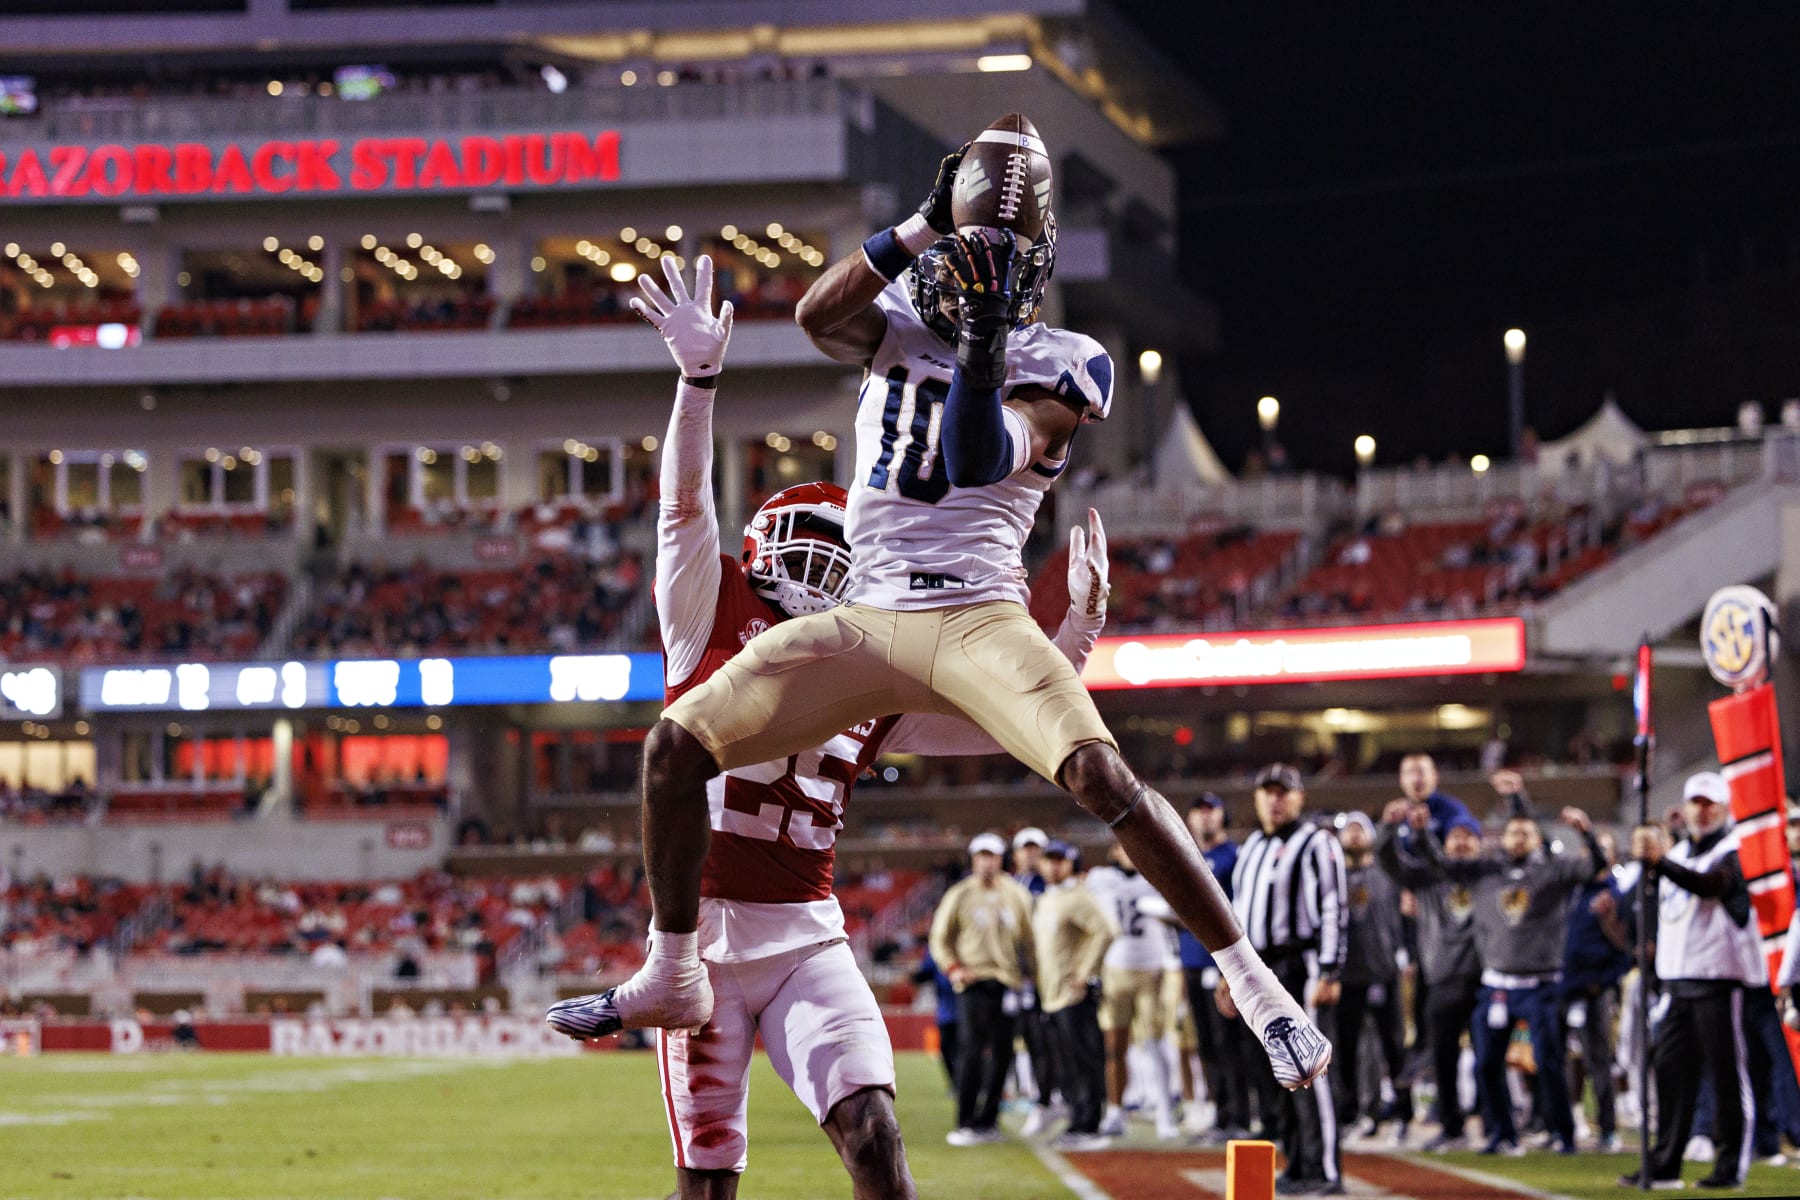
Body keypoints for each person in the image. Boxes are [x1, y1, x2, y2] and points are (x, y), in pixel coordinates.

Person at [596, 132, 1331, 1097]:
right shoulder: (894, 313)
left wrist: (982, 343)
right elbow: (818, 317)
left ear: (1029, 273)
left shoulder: (1068, 362)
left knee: (1101, 774)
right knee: (673, 749)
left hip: (981, 615)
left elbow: (976, 459)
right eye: (957, 258)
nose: (966, 278)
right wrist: (923, 225)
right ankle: (672, 963)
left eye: (989, 263)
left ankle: (1257, 984)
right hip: (866, 615)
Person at [546, 256, 1108, 1199]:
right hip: (708, 944)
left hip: (809, 935)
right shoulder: (709, 611)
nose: (822, 561)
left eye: (837, 547)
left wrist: (1072, 635)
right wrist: (697, 383)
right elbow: (683, 506)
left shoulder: (872, 658)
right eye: (806, 542)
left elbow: (995, 728)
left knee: (877, 1137)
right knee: (710, 1179)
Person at [1408, 805, 1599, 1156]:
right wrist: (1421, 835)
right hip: (1497, 986)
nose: (1518, 838)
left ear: (1537, 839)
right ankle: (1503, 1134)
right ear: (1504, 837)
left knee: (1548, 1061)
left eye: (1526, 833)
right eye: (1513, 832)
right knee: (1486, 1064)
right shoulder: (1486, 870)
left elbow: (1593, 867)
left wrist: (1586, 834)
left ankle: (1564, 1133)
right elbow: (1442, 865)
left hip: (1541, 983)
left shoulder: (1552, 871)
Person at [1619, 773, 1758, 1189]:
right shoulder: (1679, 850)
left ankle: (1731, 1165)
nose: (1702, 810)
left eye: (1709, 802)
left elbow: (1711, 886)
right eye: (1695, 802)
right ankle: (1665, 1162)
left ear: (1724, 807)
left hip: (1717, 979)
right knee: (1669, 1072)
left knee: (1726, 1075)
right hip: (1677, 982)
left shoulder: (1734, 851)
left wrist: (1660, 862)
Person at [1223, 764, 1348, 1195]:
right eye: (1268, 792)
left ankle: (1326, 1170)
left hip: (1301, 964)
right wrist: (1230, 975)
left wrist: (1330, 969)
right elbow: (1235, 915)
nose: (1275, 800)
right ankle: (1296, 1162)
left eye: (1283, 792)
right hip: (1260, 970)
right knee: (1276, 1074)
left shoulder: (1317, 842)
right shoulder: (1253, 845)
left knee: (1313, 1069)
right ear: (1257, 798)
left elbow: (1334, 906)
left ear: (1299, 798)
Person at [1377, 805, 1484, 1152]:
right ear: (1444, 843)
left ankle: (1500, 1128)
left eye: (1470, 838)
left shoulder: (1488, 874)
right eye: (1456, 837)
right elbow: (1390, 862)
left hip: (1487, 979)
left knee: (1492, 1060)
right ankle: (1452, 1126)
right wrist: (1390, 829)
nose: (1463, 844)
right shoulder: (1427, 875)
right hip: (1442, 978)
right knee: (1444, 1059)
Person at [930, 833, 1037, 1146]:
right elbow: (940, 938)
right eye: (981, 856)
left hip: (1009, 983)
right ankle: (965, 1121)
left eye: (992, 855)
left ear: (1001, 858)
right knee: (972, 1052)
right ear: (973, 859)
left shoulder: (1017, 894)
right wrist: (954, 968)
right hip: (974, 982)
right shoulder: (959, 894)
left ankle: (989, 1120)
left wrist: (1033, 977)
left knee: (1003, 1055)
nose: (987, 862)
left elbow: (1029, 941)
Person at [1086, 843, 1181, 1140]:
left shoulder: (1156, 877)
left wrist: (1162, 911)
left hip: (1151, 970)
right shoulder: (1099, 879)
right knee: (1115, 1046)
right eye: (1123, 847)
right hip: (1114, 970)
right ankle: (1115, 1111)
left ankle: (1165, 1112)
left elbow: (1180, 915)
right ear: (1114, 851)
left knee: (1155, 1044)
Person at [1032, 839, 1116, 1150]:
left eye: (1060, 860)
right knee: (1067, 1062)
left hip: (1073, 995)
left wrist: (1085, 974)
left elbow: (1106, 931)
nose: (1053, 865)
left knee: (1083, 1061)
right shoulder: (1048, 898)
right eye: (1049, 859)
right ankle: (1078, 1120)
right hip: (1053, 995)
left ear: (1072, 863)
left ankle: (1089, 1124)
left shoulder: (1078, 897)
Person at [1333, 811, 1411, 1146]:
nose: (1352, 836)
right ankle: (1352, 1114)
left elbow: (1407, 917)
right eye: (1347, 831)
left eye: (1358, 830)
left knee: (1394, 1047)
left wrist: (1404, 952)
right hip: (1345, 975)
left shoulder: (1387, 873)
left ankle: (1403, 1115)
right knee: (1346, 1050)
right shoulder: (1330, 876)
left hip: (1382, 972)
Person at [1560, 832, 1630, 1152]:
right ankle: (1562, 1125)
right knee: (1556, 1060)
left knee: (1598, 1060)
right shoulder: (1572, 892)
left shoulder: (1615, 894)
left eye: (1601, 851)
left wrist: (1604, 981)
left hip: (1594, 990)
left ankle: (1608, 1128)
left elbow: (1625, 949)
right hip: (1563, 987)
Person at [1397, 754, 1476, 841]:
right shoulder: (1396, 815)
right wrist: (1386, 826)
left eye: (1422, 772)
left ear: (1434, 776)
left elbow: (1466, 826)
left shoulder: (1451, 809)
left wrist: (1460, 833)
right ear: (1401, 779)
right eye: (1410, 773)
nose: (1416, 780)